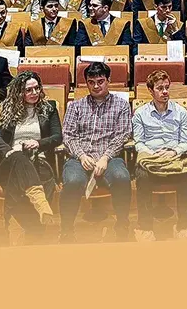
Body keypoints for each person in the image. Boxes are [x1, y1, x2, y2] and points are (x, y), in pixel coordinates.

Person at [60, 61, 133, 243]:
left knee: (122, 177)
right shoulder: (75, 106)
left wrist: (106, 157)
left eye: (100, 81)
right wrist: (81, 156)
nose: (96, 86)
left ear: (108, 80)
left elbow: (123, 134)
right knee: (72, 181)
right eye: (91, 82)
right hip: (80, 158)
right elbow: (68, 135)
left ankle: (122, 225)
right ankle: (66, 230)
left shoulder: (121, 105)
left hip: (110, 157)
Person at [0, 71, 62, 239]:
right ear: (19, 92)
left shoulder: (49, 108)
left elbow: (57, 136)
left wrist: (39, 143)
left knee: (38, 178)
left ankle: (33, 230)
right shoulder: (9, 110)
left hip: (38, 159)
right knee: (18, 156)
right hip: (10, 162)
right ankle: (40, 203)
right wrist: (8, 151)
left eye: (37, 88)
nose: (34, 93)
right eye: (28, 90)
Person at [132, 70, 187, 240]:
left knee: (186, 179)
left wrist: (173, 152)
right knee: (142, 176)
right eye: (160, 88)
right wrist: (154, 156)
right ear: (150, 91)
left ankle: (183, 227)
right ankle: (146, 227)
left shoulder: (181, 112)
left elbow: (185, 141)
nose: (165, 91)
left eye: (167, 87)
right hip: (151, 158)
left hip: (174, 157)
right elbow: (139, 142)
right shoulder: (140, 114)